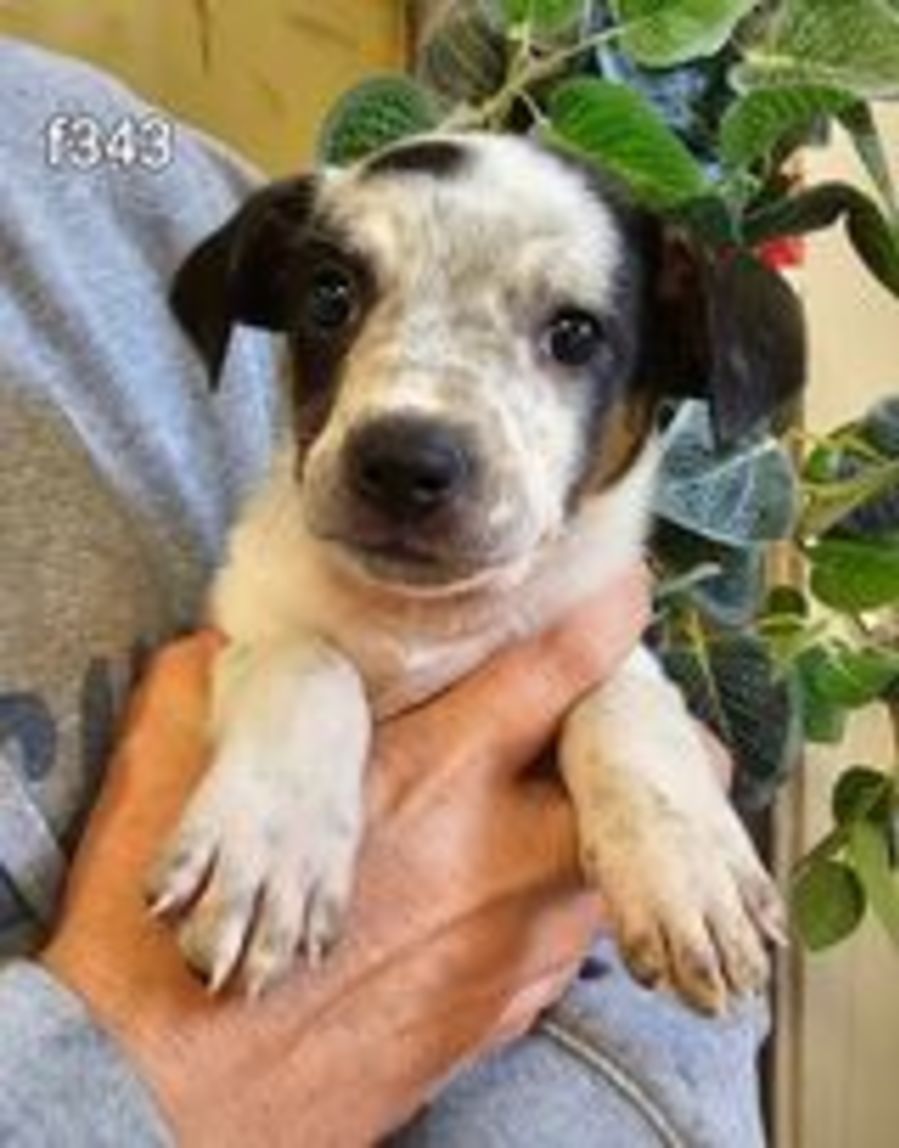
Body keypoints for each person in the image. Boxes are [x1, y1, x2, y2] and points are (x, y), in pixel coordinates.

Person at [0, 37, 769, 1147]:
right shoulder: (277, 596)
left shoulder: (96, 155)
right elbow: (250, 655)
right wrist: (147, 1080)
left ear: (670, 375)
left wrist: (627, 740)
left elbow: (670, 1030)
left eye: (567, 336)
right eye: (337, 298)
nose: (411, 425)